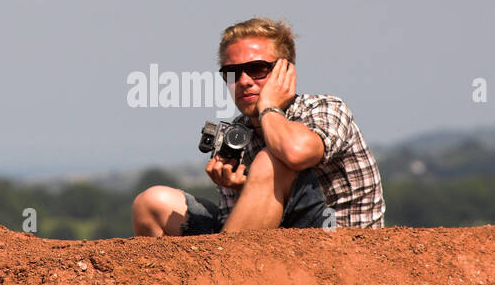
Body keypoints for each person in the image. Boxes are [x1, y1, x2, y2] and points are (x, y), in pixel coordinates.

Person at [132, 17, 385, 236]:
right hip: (261, 251)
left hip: (338, 248)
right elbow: (242, 227)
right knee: (152, 203)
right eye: (232, 73)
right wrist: (242, 188)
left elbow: (296, 153)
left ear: (285, 71)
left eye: (257, 69)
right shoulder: (237, 134)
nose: (244, 81)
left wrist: (269, 108)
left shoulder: (326, 109)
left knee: (273, 160)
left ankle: (220, 281)